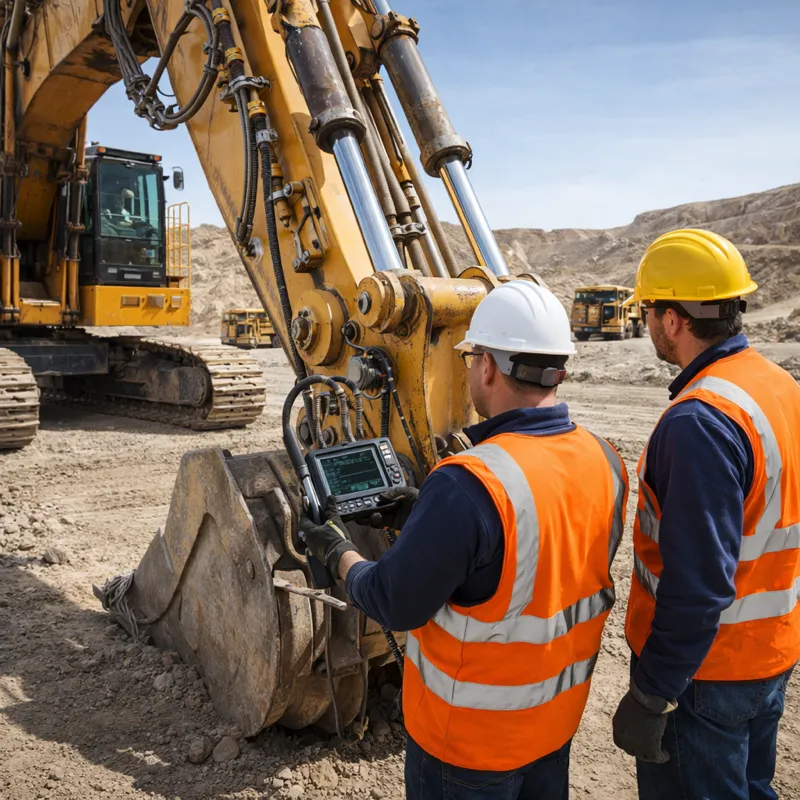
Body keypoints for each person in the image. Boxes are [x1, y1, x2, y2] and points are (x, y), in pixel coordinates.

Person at [301, 280, 628, 800]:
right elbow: (535, 552)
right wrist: (427, 519)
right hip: (552, 728)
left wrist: (338, 551)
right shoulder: (605, 459)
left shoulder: (469, 483)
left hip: (468, 747)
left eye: (472, 357)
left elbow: (392, 600)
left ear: (488, 366)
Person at [611, 228, 799, 799]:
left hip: (705, 675)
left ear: (672, 319)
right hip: (768, 653)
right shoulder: (779, 386)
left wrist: (653, 692)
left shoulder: (701, 421)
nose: (646, 323)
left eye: (647, 311)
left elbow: (698, 585)